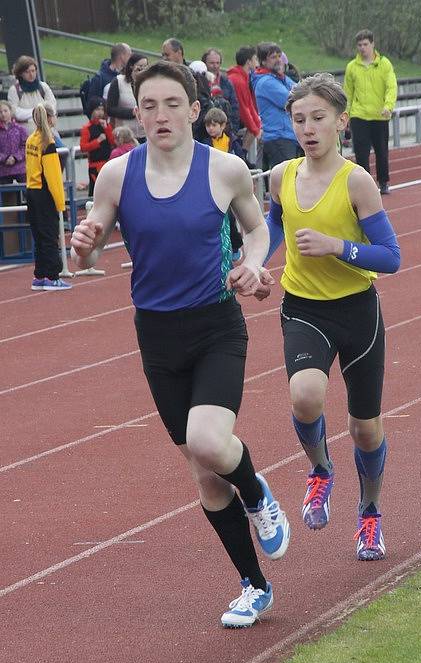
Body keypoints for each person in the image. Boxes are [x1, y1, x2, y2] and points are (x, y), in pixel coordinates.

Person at [69, 61, 290, 627]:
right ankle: (254, 585)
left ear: (194, 110)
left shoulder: (226, 169)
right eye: (148, 105)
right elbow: (89, 254)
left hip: (216, 324)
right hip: (157, 333)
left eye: (172, 104)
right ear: (136, 113)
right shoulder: (117, 175)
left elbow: (259, 228)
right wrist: (82, 246)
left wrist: (251, 263)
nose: (160, 115)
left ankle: (258, 493)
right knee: (203, 470)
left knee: (208, 440)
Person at [261, 73, 400, 560]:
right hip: (303, 307)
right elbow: (275, 223)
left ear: (341, 121)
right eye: (299, 119)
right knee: (305, 396)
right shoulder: (281, 176)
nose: (308, 128)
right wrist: (258, 262)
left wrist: (337, 247)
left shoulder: (356, 181)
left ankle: (369, 512)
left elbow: (390, 256)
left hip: (357, 311)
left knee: (365, 428)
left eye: (318, 118)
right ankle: (320, 469)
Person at [344, 29, 397, 195]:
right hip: (359, 115)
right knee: (361, 153)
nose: (362, 48)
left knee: (381, 151)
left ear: (372, 44)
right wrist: (346, 114)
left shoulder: (384, 64)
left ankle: (383, 182)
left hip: (379, 115)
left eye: (365, 44)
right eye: (359, 45)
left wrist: (388, 106)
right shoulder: (352, 67)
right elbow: (348, 92)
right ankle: (365, 184)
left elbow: (391, 86)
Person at [26, 103, 71, 291]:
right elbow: (53, 177)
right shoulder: (48, 142)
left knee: (39, 234)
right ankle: (53, 276)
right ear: (50, 118)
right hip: (44, 193)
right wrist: (61, 203)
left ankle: (41, 274)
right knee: (50, 234)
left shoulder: (31, 139)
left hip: (31, 190)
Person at [251, 42, 301, 170]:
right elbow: (291, 99)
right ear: (263, 61)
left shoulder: (280, 78)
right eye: (273, 57)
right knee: (287, 179)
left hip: (287, 136)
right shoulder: (266, 82)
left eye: (279, 56)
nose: (279, 60)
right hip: (279, 138)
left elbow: (302, 89)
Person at [204, 106, 245, 261]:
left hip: (231, 184)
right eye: (208, 125)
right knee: (220, 217)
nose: (211, 129)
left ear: (223, 125)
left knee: (234, 217)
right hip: (214, 185)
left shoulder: (232, 141)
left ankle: (235, 246)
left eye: (214, 125)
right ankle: (220, 248)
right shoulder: (205, 143)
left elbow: (240, 159)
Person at [7, 55, 56, 134]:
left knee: (62, 146)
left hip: (47, 131)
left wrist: (29, 113)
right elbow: (16, 113)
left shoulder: (43, 87)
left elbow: (52, 107)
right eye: (27, 72)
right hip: (26, 134)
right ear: (20, 73)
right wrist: (39, 111)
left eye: (33, 71)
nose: (31, 74)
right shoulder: (14, 90)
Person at [227, 46, 262, 154]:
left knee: (255, 127)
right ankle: (242, 154)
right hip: (233, 121)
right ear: (248, 62)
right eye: (255, 59)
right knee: (252, 129)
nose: (257, 62)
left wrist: (258, 125)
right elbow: (243, 108)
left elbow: (249, 105)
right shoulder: (238, 80)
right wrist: (256, 130)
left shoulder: (243, 78)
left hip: (239, 119)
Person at [106, 53, 148, 142]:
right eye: (140, 67)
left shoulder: (148, 83)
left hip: (145, 133)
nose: (143, 70)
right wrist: (131, 112)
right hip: (125, 136)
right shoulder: (118, 81)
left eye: (146, 67)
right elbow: (110, 109)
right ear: (131, 67)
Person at [80, 97, 115, 196]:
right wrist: (97, 141)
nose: (100, 112)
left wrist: (107, 128)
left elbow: (113, 142)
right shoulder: (86, 128)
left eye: (102, 109)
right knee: (96, 193)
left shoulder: (106, 126)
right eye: (97, 109)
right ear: (91, 111)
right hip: (95, 166)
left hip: (108, 163)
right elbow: (83, 147)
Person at [202, 48, 240, 134]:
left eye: (217, 63)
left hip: (225, 131)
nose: (215, 66)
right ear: (204, 63)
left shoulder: (226, 82)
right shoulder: (200, 82)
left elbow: (234, 106)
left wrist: (233, 130)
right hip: (205, 131)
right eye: (211, 63)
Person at [0, 100, 27, 183]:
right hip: (3, 170)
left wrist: (15, 157)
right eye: (0, 112)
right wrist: (5, 158)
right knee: (8, 194)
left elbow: (25, 146)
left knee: (27, 192)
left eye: (5, 111)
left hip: (20, 169)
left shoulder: (20, 129)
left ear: (10, 112)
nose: (3, 114)